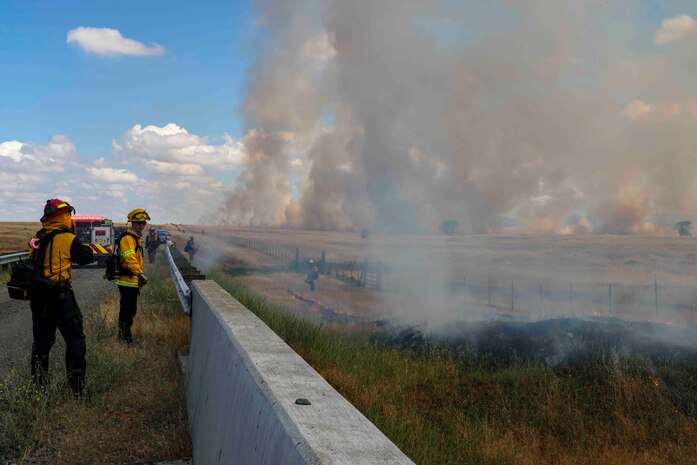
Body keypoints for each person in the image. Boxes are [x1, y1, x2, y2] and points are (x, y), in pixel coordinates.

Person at [29, 199, 93, 395]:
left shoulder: (38, 237)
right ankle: (76, 389)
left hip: (39, 298)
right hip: (61, 297)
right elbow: (85, 257)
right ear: (65, 216)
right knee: (75, 342)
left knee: (41, 344)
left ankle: (38, 388)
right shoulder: (67, 238)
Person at [116, 208, 150, 344]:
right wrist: (139, 273)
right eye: (138, 223)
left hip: (132, 280)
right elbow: (129, 258)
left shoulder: (136, 238)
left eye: (143, 223)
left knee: (130, 311)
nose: (141, 226)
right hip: (127, 281)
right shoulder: (128, 238)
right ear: (132, 223)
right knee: (127, 311)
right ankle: (125, 339)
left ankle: (124, 336)